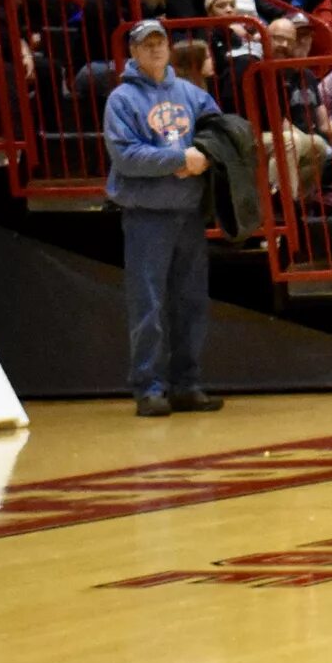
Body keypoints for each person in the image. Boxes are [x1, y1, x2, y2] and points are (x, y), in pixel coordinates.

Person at [103, 21, 223, 418]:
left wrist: (205, 154)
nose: (155, 50)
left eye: (160, 43)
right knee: (149, 305)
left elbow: (220, 132)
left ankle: (187, 384)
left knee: (191, 303)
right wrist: (178, 160)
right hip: (146, 217)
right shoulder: (121, 100)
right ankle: (149, 387)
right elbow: (126, 157)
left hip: (188, 213)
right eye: (146, 44)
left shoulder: (190, 93)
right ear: (133, 52)